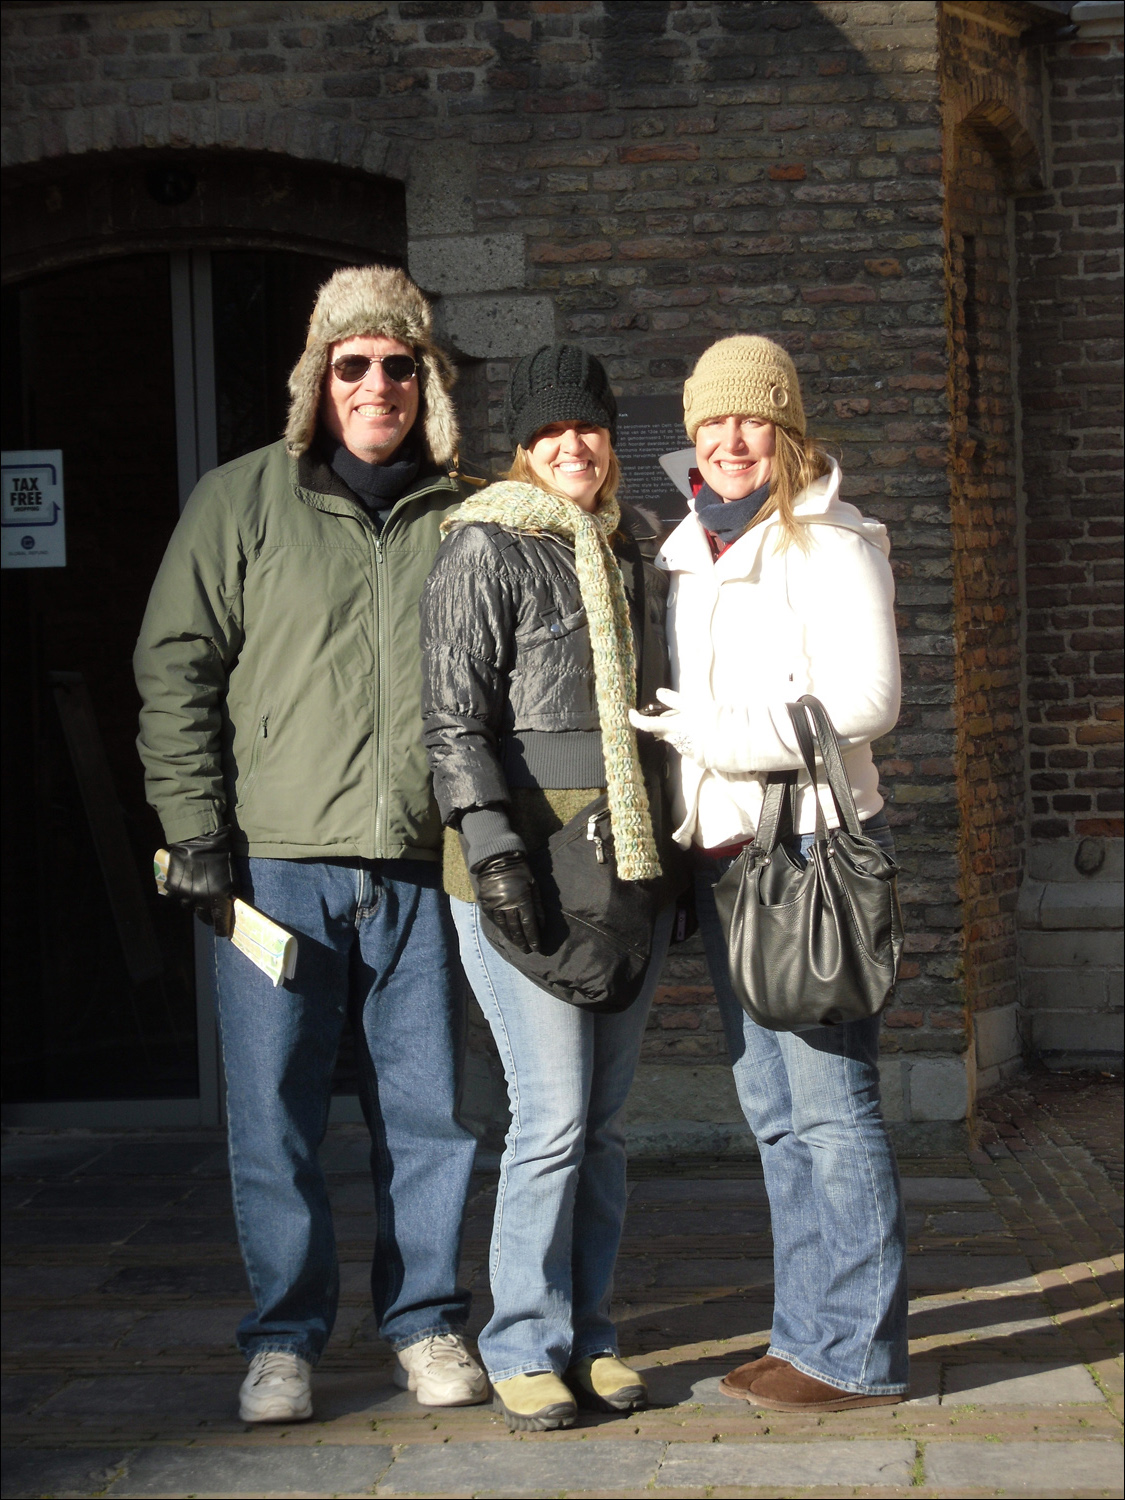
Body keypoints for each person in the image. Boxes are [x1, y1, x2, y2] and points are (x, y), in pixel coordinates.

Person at [134, 266, 488, 1423]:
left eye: (399, 364)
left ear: (426, 380)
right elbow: (175, 666)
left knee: (430, 1114)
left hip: (425, 866)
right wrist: (194, 829)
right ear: (316, 380)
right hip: (276, 866)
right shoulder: (241, 503)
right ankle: (284, 1337)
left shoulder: (466, 512)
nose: (377, 383)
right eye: (353, 365)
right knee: (275, 1113)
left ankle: (428, 1324)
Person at [632, 335, 909, 1412]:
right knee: (776, 1110)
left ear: (787, 432)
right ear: (692, 435)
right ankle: (808, 1335)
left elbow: (872, 701)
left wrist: (722, 737)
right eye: (711, 423)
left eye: (753, 421)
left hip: (807, 852)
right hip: (732, 857)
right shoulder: (690, 546)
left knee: (833, 1109)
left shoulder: (830, 542)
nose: (731, 440)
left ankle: (859, 1356)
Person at [419, 344, 674, 1432]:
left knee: (605, 1126)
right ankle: (523, 1337)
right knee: (553, 1115)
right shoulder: (485, 546)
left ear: (611, 440)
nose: (574, 445)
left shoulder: (629, 547)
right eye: (551, 430)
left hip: (624, 867)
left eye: (591, 427)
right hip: (524, 872)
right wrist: (492, 848)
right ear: (521, 447)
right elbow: (452, 715)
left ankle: (592, 1333)